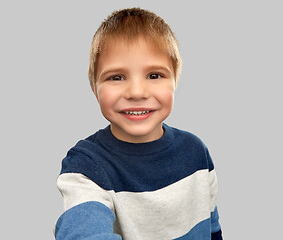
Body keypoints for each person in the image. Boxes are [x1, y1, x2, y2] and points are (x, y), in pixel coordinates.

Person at [55, 7, 223, 240]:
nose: (136, 92)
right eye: (116, 77)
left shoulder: (197, 152)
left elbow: (213, 229)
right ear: (94, 88)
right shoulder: (86, 165)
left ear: (175, 81)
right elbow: (83, 231)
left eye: (154, 75)